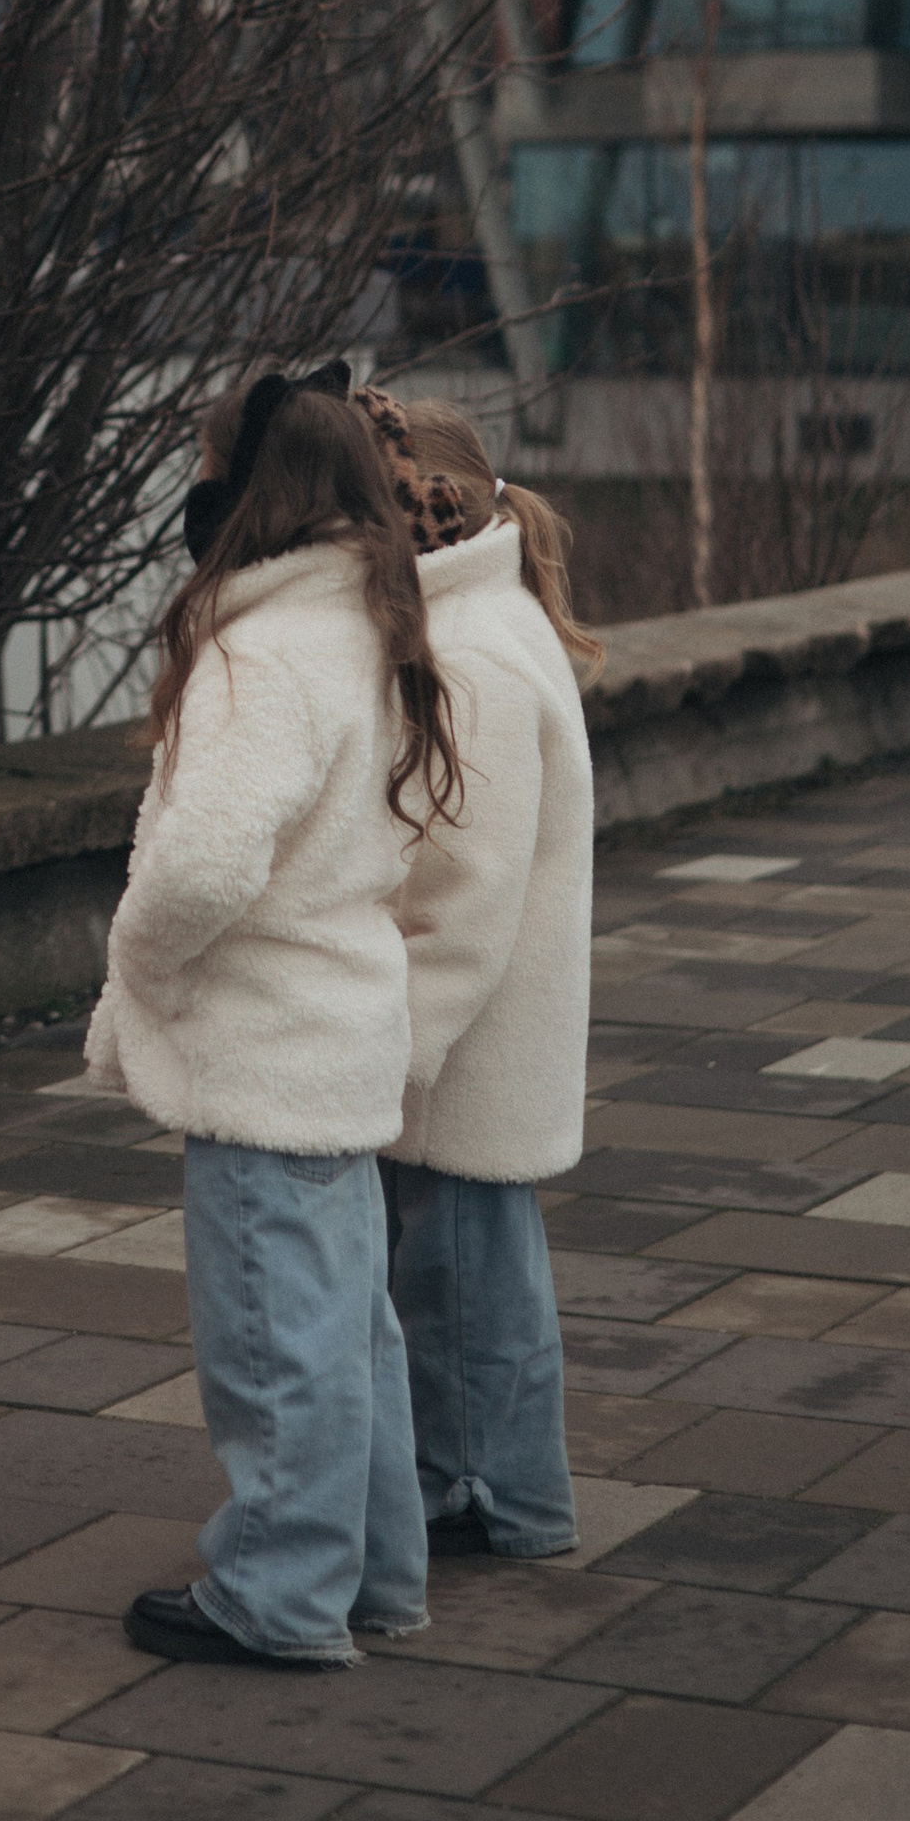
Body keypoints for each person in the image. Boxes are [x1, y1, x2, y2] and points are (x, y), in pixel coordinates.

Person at [87, 369, 464, 1668]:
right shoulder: (372, 630)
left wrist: (136, 956)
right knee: (353, 1335)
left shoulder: (263, 651)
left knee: (274, 1347)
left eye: (207, 465)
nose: (195, 489)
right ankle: (376, 1576)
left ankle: (279, 1595)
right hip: (343, 1033)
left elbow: (198, 869)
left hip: (261, 1055)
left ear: (253, 490)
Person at [355, 388, 601, 1562]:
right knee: (481, 1280)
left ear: (417, 514)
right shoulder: (492, 623)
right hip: (489, 1046)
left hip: (457, 1052)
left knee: (457, 1289)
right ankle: (505, 1490)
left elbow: (461, 897)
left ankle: (484, 1497)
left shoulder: (464, 656)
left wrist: (388, 1067)